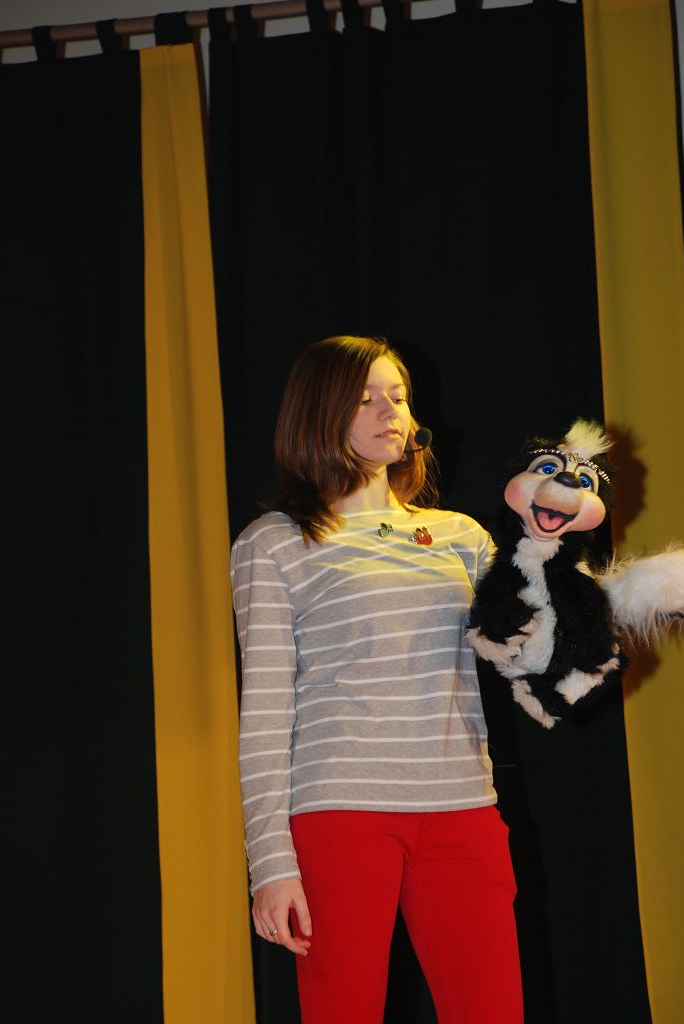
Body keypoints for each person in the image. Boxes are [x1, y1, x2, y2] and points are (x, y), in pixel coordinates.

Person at [231, 336, 523, 1023]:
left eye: (399, 395)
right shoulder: (274, 542)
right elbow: (266, 712)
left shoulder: (461, 535)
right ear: (318, 413)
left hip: (462, 806)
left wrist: (555, 561)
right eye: (366, 399)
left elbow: (525, 654)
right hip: (340, 812)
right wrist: (271, 863)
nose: (391, 411)